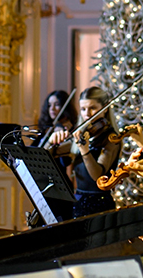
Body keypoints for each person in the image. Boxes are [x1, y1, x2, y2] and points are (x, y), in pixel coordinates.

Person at [49, 87, 120, 218]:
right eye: (83, 109)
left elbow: (97, 176)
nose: (87, 113)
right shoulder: (83, 134)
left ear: (105, 108)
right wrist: (53, 140)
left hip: (99, 205)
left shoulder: (111, 138)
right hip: (79, 201)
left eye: (92, 108)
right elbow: (51, 153)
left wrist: (85, 150)